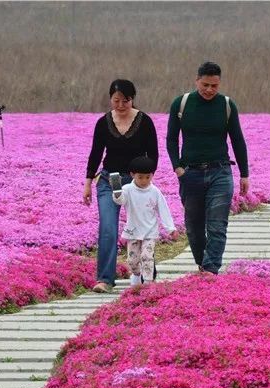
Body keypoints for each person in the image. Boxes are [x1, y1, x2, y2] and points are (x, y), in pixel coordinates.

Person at [166, 61, 250, 275]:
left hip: (220, 172)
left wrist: (244, 174)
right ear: (197, 80)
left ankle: (210, 271)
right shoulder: (181, 104)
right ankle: (203, 265)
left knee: (217, 225)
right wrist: (177, 168)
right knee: (194, 229)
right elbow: (171, 139)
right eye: (205, 85)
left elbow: (238, 140)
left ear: (219, 83)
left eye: (214, 86)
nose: (209, 90)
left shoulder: (227, 105)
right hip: (190, 174)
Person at [83, 79, 158, 292]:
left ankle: (147, 275)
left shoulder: (144, 122)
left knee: (143, 228)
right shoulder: (103, 122)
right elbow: (95, 154)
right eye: (116, 100)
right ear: (110, 99)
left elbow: (153, 155)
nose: (121, 105)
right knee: (108, 228)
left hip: (136, 183)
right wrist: (88, 183)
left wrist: (144, 179)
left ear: (132, 99)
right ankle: (105, 279)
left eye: (125, 100)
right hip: (110, 180)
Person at [111, 156, 175, 286]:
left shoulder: (155, 191)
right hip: (133, 230)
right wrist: (117, 193)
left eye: (148, 177)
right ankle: (136, 276)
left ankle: (148, 283)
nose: (144, 180)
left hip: (149, 231)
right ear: (132, 175)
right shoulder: (127, 189)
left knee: (147, 257)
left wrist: (170, 228)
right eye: (140, 177)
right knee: (132, 260)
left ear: (152, 175)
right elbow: (120, 201)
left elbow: (163, 209)